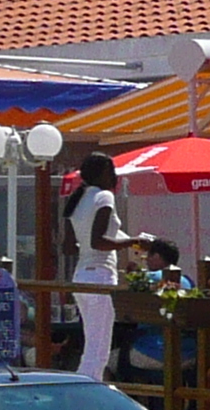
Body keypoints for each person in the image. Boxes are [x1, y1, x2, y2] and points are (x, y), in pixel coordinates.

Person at [63, 152, 155, 380]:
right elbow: (99, 241)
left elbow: (69, 246)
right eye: (111, 171)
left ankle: (85, 384)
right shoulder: (104, 197)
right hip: (100, 276)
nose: (114, 177)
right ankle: (86, 389)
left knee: (92, 343)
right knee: (99, 347)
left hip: (81, 277)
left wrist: (124, 239)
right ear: (103, 173)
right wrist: (134, 242)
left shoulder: (78, 200)